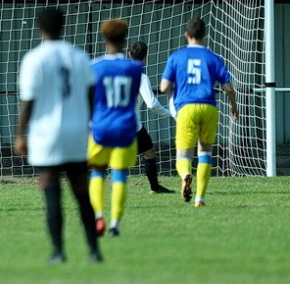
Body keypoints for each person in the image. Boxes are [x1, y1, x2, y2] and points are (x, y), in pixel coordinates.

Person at [14, 8, 102, 264]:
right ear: (64, 25)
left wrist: (21, 134)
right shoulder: (79, 56)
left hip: (46, 135)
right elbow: (90, 94)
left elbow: (28, 101)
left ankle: (58, 252)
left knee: (52, 193)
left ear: (39, 27)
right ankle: (94, 251)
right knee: (82, 194)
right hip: (76, 132)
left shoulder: (34, 58)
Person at [159, 17, 239, 207]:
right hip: (209, 107)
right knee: (205, 152)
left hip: (186, 108)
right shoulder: (213, 58)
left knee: (183, 155)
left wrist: (174, 94)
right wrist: (234, 107)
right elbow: (228, 88)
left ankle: (186, 174)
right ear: (204, 35)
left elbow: (163, 87)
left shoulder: (176, 57)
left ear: (186, 34)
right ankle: (200, 199)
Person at [88, 19, 142, 237]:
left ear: (104, 40)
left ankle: (98, 216)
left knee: (97, 172)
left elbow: (89, 98)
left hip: (100, 127)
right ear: (124, 40)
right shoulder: (135, 68)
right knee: (120, 174)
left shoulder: (94, 67)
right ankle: (115, 224)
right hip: (125, 128)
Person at [127, 41, 175, 194]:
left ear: (129, 54)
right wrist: (170, 113)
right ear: (145, 58)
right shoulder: (140, 77)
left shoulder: (118, 73)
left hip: (109, 122)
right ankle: (155, 187)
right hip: (130, 124)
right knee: (149, 152)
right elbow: (152, 104)